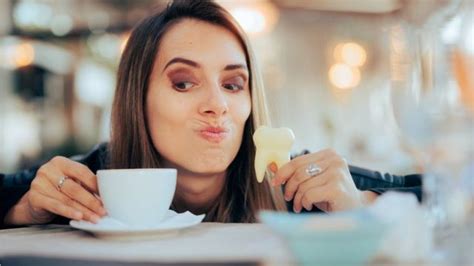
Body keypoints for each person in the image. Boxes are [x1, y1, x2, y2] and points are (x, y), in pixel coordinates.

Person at [0, 0, 421, 228]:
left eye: (233, 84)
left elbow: (444, 198)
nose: (217, 104)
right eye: (184, 82)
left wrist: (363, 206)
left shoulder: (298, 186)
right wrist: (23, 210)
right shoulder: (94, 180)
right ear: (137, 99)